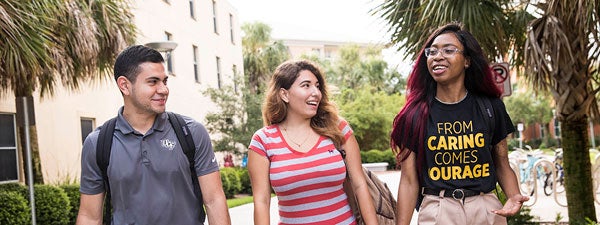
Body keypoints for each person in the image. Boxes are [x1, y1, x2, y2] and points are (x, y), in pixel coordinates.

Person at [390, 22, 529, 225]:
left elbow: (501, 163)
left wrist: (514, 195)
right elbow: (409, 181)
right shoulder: (413, 116)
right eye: (432, 51)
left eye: (449, 50)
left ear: (467, 61)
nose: (438, 56)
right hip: (438, 209)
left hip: (486, 208)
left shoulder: (491, 108)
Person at [76, 45, 231, 225]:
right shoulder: (99, 143)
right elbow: (89, 216)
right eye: (153, 82)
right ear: (125, 85)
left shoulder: (191, 132)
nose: (163, 89)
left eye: (164, 81)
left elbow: (214, 200)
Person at [248, 60, 378, 225]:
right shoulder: (263, 140)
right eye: (306, 85)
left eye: (317, 86)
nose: (316, 92)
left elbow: (360, 185)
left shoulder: (337, 128)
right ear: (284, 94)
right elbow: (261, 201)